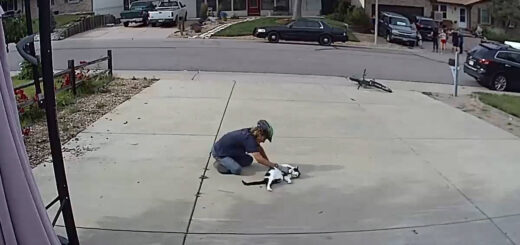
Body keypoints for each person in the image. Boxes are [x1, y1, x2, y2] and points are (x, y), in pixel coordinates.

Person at [211, 120, 287, 175]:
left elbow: (259, 149)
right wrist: (276, 166)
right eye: (265, 138)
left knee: (248, 160)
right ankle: (219, 163)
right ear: (260, 133)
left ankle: (229, 161)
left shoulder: (252, 133)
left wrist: (268, 162)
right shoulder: (249, 139)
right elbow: (259, 159)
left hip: (230, 151)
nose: (264, 141)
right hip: (219, 152)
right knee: (237, 169)